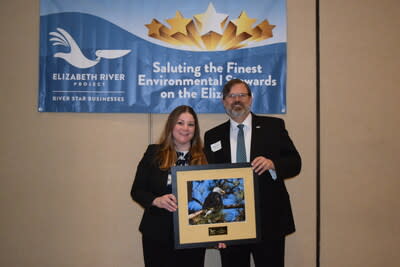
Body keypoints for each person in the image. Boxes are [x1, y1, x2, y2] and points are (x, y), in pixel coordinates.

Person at [204, 79, 301, 267]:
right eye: (232, 96)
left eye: (242, 95)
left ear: (251, 99)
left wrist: (273, 164)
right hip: (232, 221)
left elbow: (295, 163)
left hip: (270, 219)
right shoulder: (212, 136)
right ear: (224, 101)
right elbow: (209, 177)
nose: (237, 100)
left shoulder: (273, 127)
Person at [131, 105, 207, 267]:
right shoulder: (153, 153)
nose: (185, 128)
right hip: (157, 234)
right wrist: (156, 200)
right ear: (171, 125)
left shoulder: (206, 157)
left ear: (195, 129)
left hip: (193, 237)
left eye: (190, 124)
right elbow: (137, 191)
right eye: (180, 123)